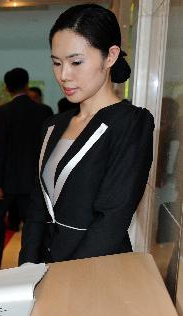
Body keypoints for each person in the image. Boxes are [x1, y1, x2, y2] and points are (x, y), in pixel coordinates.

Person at [19, 4, 154, 264]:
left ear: (111, 56)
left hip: (95, 272)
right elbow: (37, 207)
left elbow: (112, 219)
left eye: (76, 62)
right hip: (44, 268)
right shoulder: (52, 125)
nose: (64, 75)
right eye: (56, 63)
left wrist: (64, 277)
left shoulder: (130, 123)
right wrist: (26, 268)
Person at [0, 67, 52, 270]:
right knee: (33, 227)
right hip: (34, 181)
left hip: (6, 182)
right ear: (26, 84)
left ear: (6, 88)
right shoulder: (44, 112)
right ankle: (30, 266)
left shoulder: (2, 113)